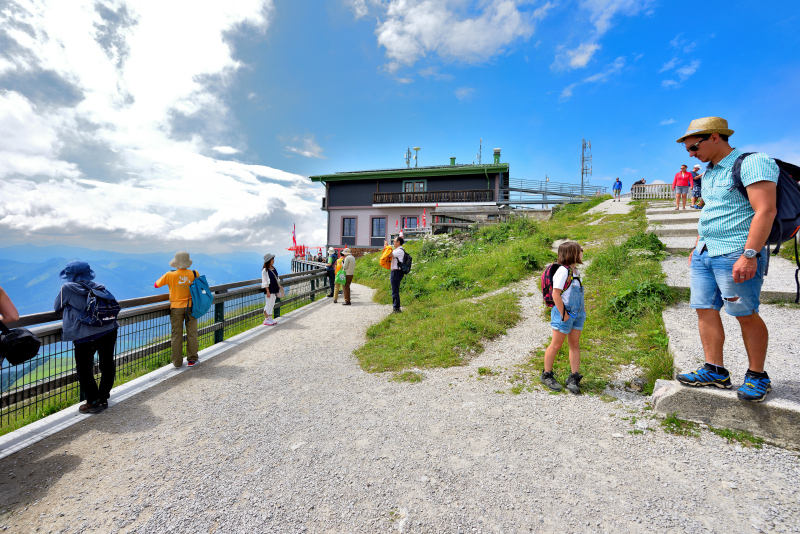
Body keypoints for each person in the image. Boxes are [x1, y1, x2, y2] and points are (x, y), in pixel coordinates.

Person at [676, 116, 778, 402]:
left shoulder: (752, 162)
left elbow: (766, 210)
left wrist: (750, 254)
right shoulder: (709, 173)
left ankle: (757, 375)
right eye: (688, 150)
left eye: (693, 147)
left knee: (745, 313)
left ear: (715, 137)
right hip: (705, 252)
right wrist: (697, 245)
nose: (691, 154)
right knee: (704, 310)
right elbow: (711, 211)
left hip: (736, 252)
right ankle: (715, 370)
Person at [54, 261, 119, 414]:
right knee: (107, 364)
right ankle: (103, 397)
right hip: (109, 329)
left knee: (84, 369)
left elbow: (57, 307)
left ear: (71, 275)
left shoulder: (67, 288)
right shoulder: (98, 286)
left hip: (85, 334)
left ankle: (94, 402)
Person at [540, 242, 585, 394]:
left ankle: (574, 377)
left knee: (574, 343)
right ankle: (547, 374)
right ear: (573, 253)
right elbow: (556, 294)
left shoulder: (575, 271)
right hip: (563, 313)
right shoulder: (563, 271)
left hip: (577, 314)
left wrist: (582, 311)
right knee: (556, 344)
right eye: (580, 250)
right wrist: (564, 314)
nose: (582, 252)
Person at [155, 251, 199, 368]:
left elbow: (156, 285)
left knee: (176, 335)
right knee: (192, 333)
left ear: (176, 263)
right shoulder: (194, 273)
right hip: (191, 307)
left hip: (176, 308)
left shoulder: (170, 275)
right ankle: (192, 360)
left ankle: (177, 362)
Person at [381, 237, 406, 313]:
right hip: (396, 272)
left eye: (394, 241)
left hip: (396, 272)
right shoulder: (397, 250)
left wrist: (387, 246)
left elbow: (389, 255)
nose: (393, 243)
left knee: (395, 291)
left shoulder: (399, 251)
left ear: (398, 242)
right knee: (394, 290)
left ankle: (396, 309)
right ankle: (396, 308)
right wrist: (386, 247)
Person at [261, 254, 282, 325]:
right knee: (268, 303)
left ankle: (270, 318)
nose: (273, 260)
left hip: (274, 288)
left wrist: (279, 286)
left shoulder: (273, 268)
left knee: (272, 303)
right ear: (269, 261)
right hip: (269, 289)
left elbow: (276, 278)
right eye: (272, 259)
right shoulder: (265, 270)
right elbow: (264, 281)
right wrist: (267, 291)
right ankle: (266, 319)